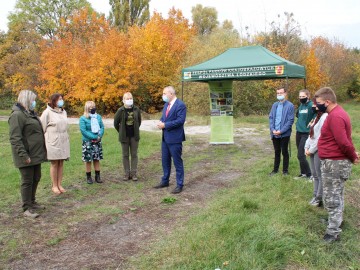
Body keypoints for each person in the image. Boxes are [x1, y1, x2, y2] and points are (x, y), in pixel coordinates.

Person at [315, 87, 359, 243]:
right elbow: (344, 139)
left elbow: (343, 142)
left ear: (327, 102)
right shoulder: (335, 114)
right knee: (336, 193)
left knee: (332, 197)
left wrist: (353, 156)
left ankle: (333, 232)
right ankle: (335, 221)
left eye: (319, 103)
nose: (317, 105)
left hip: (335, 163)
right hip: (333, 162)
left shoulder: (336, 116)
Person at [8, 90, 47, 218]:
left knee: (36, 177)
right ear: (26, 100)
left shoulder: (29, 113)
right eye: (32, 100)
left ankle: (32, 201)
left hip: (35, 154)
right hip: (26, 155)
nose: (34, 103)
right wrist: (24, 155)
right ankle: (26, 208)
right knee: (27, 180)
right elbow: (15, 138)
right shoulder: (17, 115)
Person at [154, 86, 186, 194]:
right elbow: (164, 117)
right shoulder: (166, 105)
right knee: (165, 161)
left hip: (175, 138)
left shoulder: (180, 105)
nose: (163, 96)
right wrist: (161, 122)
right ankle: (165, 180)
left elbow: (180, 121)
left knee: (177, 162)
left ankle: (179, 184)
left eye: (164, 93)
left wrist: (165, 125)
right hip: (165, 138)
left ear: (171, 94)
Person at [40, 93, 70, 194]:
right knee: (54, 163)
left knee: (61, 162)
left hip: (63, 141)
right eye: (59, 99)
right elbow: (42, 128)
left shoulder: (63, 112)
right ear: (54, 101)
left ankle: (59, 184)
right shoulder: (47, 112)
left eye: (62, 99)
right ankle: (54, 185)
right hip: (53, 141)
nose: (61, 101)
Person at [304, 99, 328, 206]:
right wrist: (306, 147)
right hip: (311, 149)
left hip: (318, 150)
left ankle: (319, 198)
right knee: (314, 174)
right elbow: (311, 134)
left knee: (319, 174)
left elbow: (320, 137)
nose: (314, 106)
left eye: (316, 104)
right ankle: (315, 195)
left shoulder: (325, 117)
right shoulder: (316, 117)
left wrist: (311, 150)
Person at [114, 92, 142, 181]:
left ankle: (133, 174)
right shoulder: (120, 110)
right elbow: (115, 123)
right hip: (124, 136)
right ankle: (126, 173)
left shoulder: (136, 109)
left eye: (131, 98)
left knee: (134, 155)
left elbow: (139, 121)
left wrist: (135, 129)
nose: (129, 100)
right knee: (125, 155)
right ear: (123, 100)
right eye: (127, 99)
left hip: (134, 136)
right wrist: (121, 131)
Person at [268, 87, 295, 176]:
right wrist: (273, 129)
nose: (279, 94)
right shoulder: (274, 105)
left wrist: (281, 131)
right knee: (277, 151)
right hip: (274, 133)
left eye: (281, 93)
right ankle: (275, 170)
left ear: (285, 93)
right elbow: (271, 118)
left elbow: (290, 121)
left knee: (284, 151)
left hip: (284, 134)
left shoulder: (290, 105)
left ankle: (285, 171)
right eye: (278, 93)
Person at [79, 101, 105, 184]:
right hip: (88, 142)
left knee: (96, 159)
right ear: (87, 108)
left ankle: (98, 176)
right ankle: (89, 177)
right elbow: (83, 131)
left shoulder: (98, 117)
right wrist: (94, 137)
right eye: (90, 107)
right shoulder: (83, 118)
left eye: (93, 107)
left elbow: (102, 127)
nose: (92, 108)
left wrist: (99, 135)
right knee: (88, 160)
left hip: (97, 141)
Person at [294, 89, 316, 179]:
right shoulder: (301, 105)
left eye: (303, 96)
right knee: (300, 155)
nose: (301, 98)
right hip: (299, 131)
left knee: (301, 154)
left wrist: (311, 122)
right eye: (300, 96)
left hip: (306, 133)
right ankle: (303, 173)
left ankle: (310, 175)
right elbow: (298, 114)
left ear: (308, 96)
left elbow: (316, 114)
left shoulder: (311, 105)